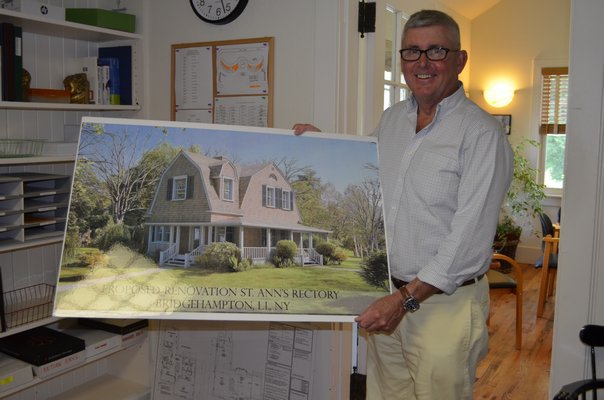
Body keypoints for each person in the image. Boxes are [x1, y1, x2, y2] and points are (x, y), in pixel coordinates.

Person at [293, 9, 513, 400]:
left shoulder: (481, 134)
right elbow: (368, 175)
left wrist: (405, 298)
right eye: (412, 52)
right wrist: (323, 147)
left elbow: (468, 240)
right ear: (402, 61)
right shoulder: (393, 119)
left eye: (436, 51)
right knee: (385, 394)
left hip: (443, 306)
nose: (423, 63)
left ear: (460, 60)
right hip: (388, 295)